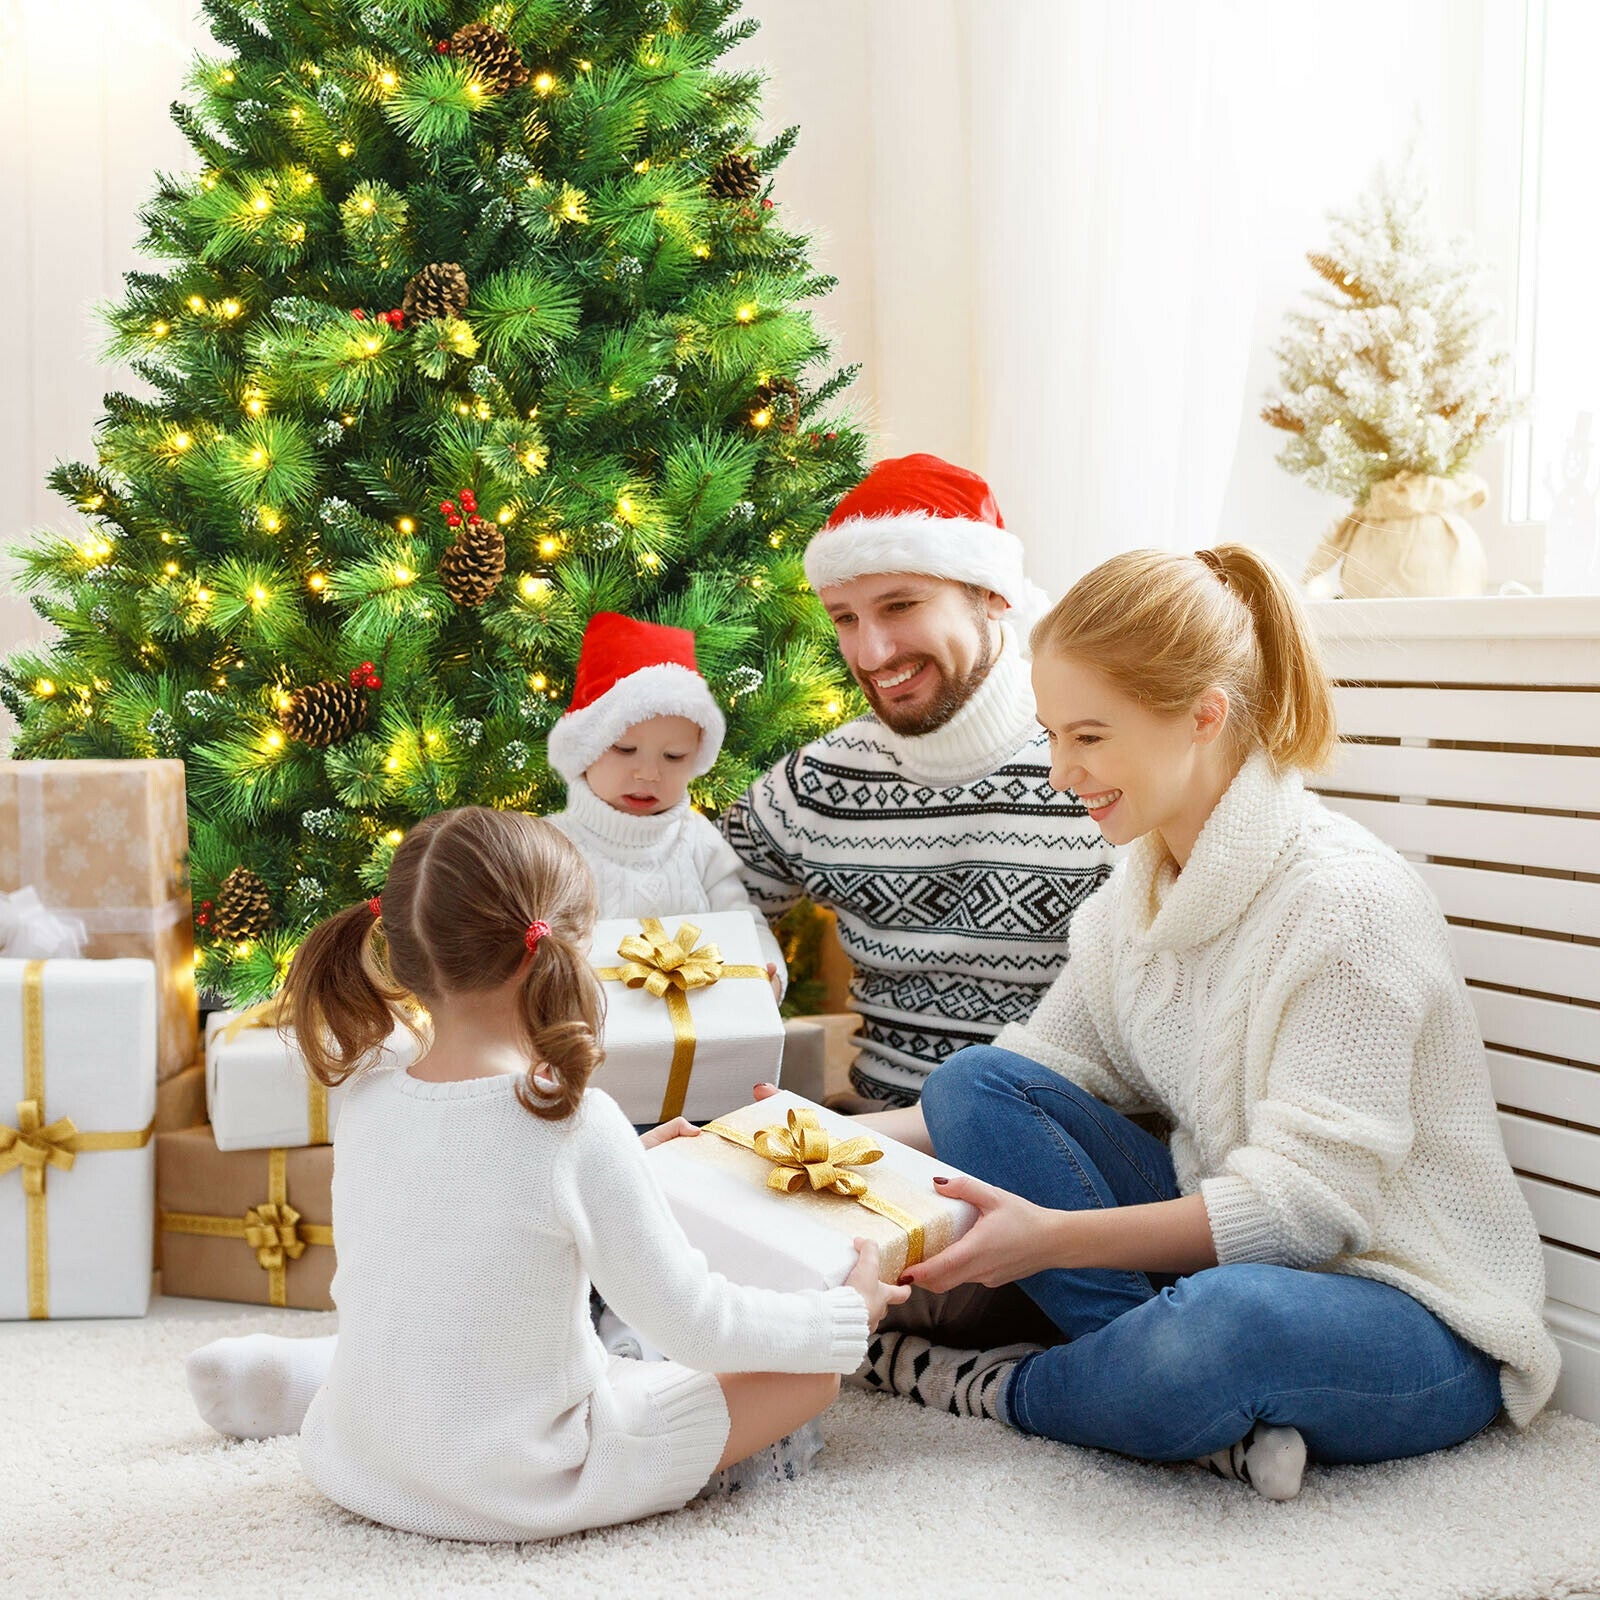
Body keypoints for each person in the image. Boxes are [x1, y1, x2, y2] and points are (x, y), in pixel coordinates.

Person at [845, 545, 1560, 1501]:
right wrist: (794, 1139)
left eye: (1089, 737)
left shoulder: (1344, 907)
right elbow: (1037, 1076)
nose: (1063, 773)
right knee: (971, 1083)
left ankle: (988, 1383)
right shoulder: (1132, 896)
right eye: (1054, 735)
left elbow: (1304, 1215)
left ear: (1203, 716)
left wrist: (1052, 1240)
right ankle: (1161, 1394)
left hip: (1412, 1313)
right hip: (1231, 1248)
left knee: (1221, 1328)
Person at [182, 806, 905, 1542]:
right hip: (523, 1483)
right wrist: (846, 1315)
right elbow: (694, 1323)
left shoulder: (366, 1092)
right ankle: (350, 1385)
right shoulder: (572, 1122)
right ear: (561, 946)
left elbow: (459, 1207)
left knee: (456, 1312)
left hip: (359, 1457)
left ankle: (331, 1383)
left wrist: (628, 1171)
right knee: (808, 1377)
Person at [723, 453, 1117, 1109]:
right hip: (873, 1155)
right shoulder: (820, 781)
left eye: (900, 605)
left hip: (1051, 1153)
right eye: (845, 618)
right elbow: (707, 892)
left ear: (992, 594)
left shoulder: (1098, 767)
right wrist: (751, 960)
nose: (871, 655)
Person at [545, 609, 785, 989]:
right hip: (589, 1034)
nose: (649, 773)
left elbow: (743, 921)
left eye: (673, 757)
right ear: (584, 748)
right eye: (625, 749)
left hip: (697, 1029)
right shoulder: (552, 845)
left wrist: (764, 971)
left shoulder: (697, 838)